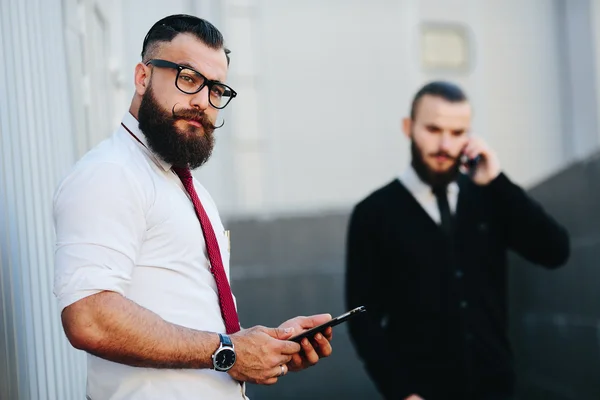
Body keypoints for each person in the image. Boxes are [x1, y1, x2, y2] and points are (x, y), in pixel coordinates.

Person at [53, 14, 332, 400]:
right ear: (142, 77)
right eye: (188, 78)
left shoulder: (186, 186)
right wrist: (229, 352)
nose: (202, 101)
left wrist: (266, 349)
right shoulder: (109, 173)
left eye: (216, 89)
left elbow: (191, 319)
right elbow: (90, 318)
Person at [345, 81, 570, 400]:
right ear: (408, 127)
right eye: (433, 129)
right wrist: (401, 392)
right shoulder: (373, 213)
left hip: (496, 388)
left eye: (457, 132)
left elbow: (555, 251)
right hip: (421, 392)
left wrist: (497, 181)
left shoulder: (489, 196)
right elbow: (362, 317)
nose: (444, 144)